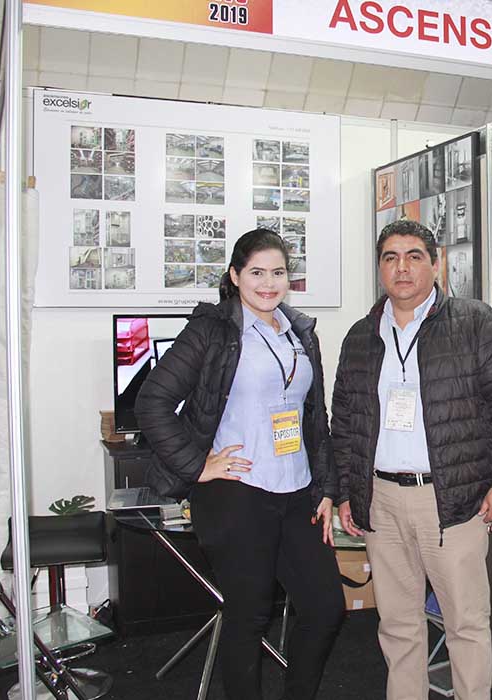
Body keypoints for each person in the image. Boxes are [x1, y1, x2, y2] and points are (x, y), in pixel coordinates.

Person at [135, 229, 344, 700]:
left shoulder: (300, 333)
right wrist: (197, 466)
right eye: (257, 272)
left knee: (324, 608)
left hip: (298, 491)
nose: (269, 283)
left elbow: (315, 417)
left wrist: (327, 488)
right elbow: (152, 401)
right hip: (237, 493)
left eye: (278, 272)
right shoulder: (212, 330)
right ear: (235, 275)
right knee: (249, 617)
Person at [331, 220, 492, 700]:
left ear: (435, 264)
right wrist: (346, 492)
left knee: (465, 623)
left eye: (414, 256)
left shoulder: (474, 322)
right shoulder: (361, 336)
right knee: (397, 624)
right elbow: (346, 421)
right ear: (380, 268)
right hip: (381, 500)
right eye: (390, 258)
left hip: (451, 501)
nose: (402, 268)